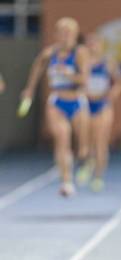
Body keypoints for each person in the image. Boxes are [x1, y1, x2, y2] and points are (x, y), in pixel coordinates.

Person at [21, 17, 90, 197]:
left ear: (75, 35)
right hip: (57, 101)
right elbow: (37, 67)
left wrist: (69, 74)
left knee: (82, 147)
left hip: (77, 100)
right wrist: (29, 89)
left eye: (69, 33)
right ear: (56, 35)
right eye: (62, 32)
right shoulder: (49, 53)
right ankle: (66, 182)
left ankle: (83, 159)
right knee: (62, 139)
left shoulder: (80, 53)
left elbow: (84, 80)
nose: (65, 36)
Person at [76, 32, 121, 192]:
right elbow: (76, 82)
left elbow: (119, 82)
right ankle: (86, 164)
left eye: (95, 43)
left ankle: (98, 177)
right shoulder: (82, 64)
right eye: (89, 44)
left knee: (100, 142)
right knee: (86, 141)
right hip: (85, 103)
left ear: (100, 45)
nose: (92, 46)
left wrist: (113, 94)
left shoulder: (108, 63)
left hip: (102, 104)